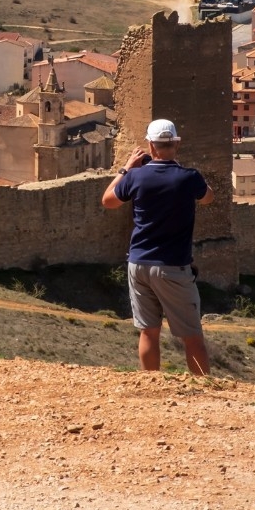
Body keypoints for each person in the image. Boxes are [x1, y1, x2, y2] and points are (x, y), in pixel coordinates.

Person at [101, 118, 215, 375]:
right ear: (176, 143)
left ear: (150, 146)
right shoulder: (189, 177)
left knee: (148, 332)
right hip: (172, 266)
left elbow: (108, 200)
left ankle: (151, 384)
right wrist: (192, 178)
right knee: (192, 336)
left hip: (138, 264)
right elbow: (209, 197)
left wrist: (126, 169)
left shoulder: (136, 177)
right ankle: (205, 389)